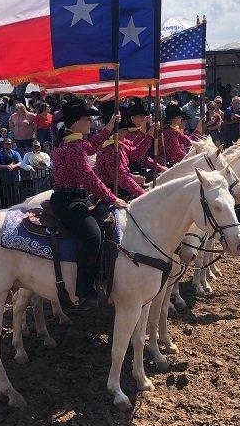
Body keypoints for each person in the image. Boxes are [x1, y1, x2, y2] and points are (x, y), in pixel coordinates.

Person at [50, 98, 126, 310]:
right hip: (68, 200)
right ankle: (84, 293)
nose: (90, 122)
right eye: (86, 119)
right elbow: (89, 178)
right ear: (74, 122)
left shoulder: (75, 142)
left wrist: (109, 126)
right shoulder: (72, 147)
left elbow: (92, 146)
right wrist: (113, 198)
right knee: (93, 236)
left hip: (76, 197)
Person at [123, 102, 165, 177]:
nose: (144, 118)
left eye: (144, 115)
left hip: (143, 168)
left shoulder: (142, 131)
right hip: (131, 172)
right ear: (132, 118)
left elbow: (146, 158)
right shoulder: (127, 134)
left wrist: (160, 168)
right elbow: (138, 156)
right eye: (140, 115)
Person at [0, 138, 23, 207]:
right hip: (5, 180)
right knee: (7, 198)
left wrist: (13, 166)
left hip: (15, 179)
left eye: (9, 144)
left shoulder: (15, 153)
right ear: (3, 145)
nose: (8, 146)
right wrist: (6, 166)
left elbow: (21, 162)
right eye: (6, 144)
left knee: (16, 197)